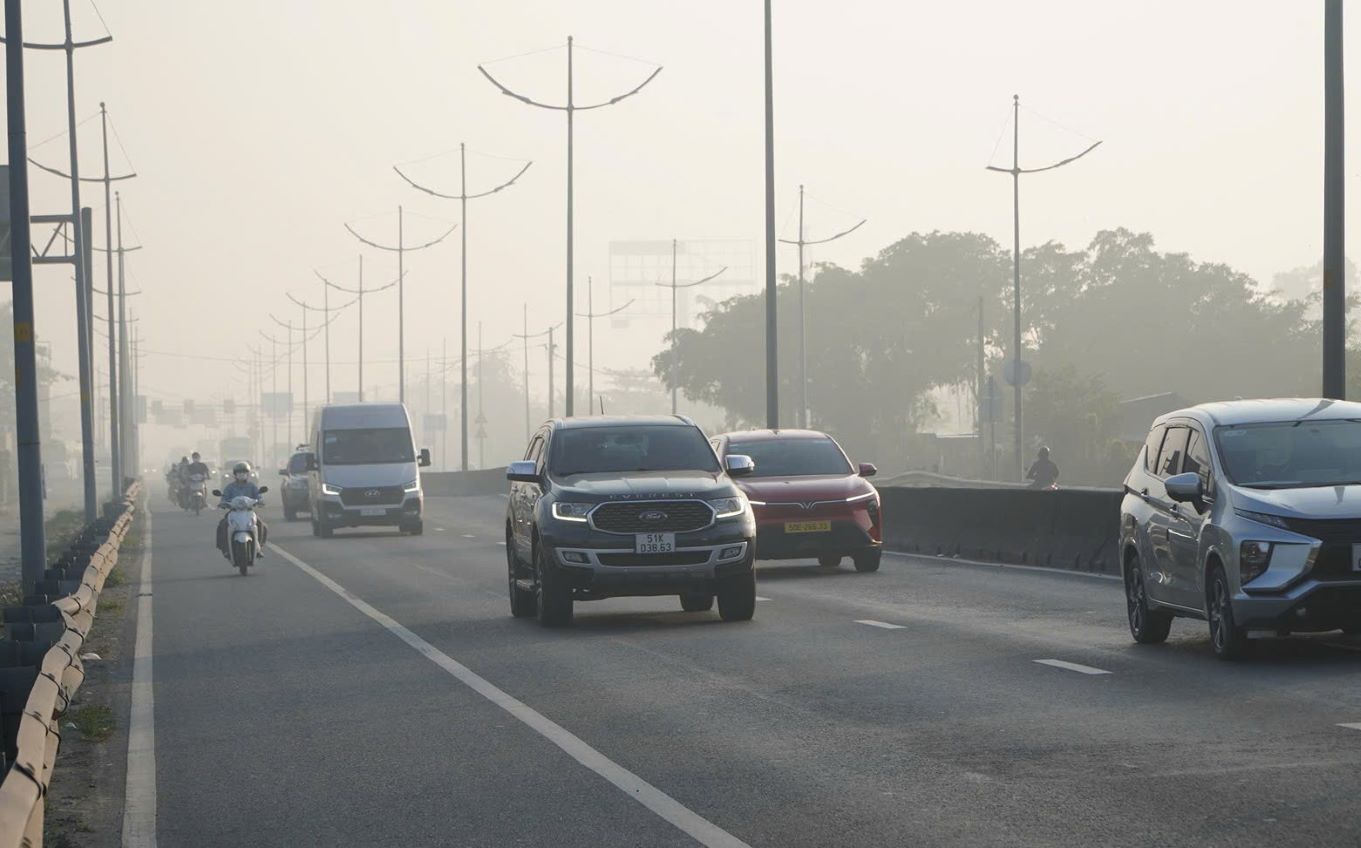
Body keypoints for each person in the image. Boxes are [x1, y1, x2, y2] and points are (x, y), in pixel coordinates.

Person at [216, 461, 267, 559]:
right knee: (223, 525)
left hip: (249, 512)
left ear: (248, 474)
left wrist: (260, 501)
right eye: (239, 473)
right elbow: (224, 497)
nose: (241, 475)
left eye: (244, 473)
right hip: (233, 512)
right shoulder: (230, 487)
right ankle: (226, 549)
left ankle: (258, 548)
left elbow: (258, 495)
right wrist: (222, 503)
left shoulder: (252, 486)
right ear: (235, 475)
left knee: (261, 525)